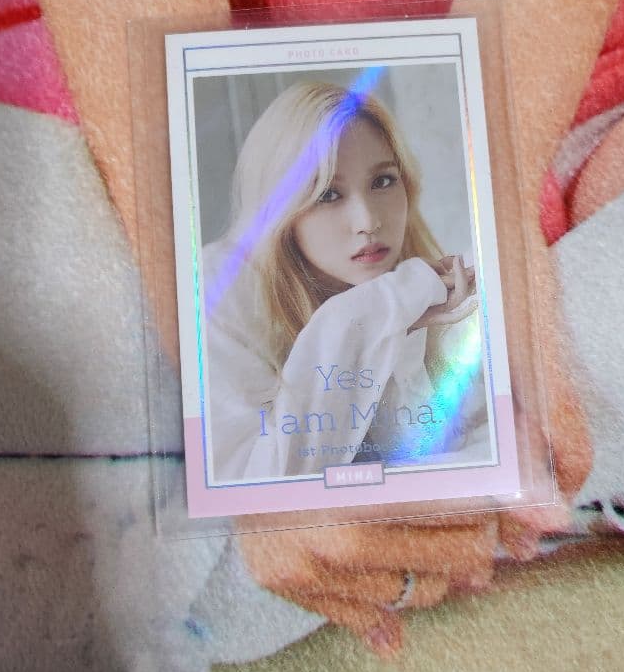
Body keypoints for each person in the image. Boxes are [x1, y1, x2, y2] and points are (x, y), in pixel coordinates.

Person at [202, 78, 486, 487]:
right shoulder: (221, 287)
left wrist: (401, 329)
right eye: (328, 194)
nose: (368, 221)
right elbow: (261, 487)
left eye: (383, 181)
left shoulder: (420, 287)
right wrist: (369, 316)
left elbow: (430, 455)